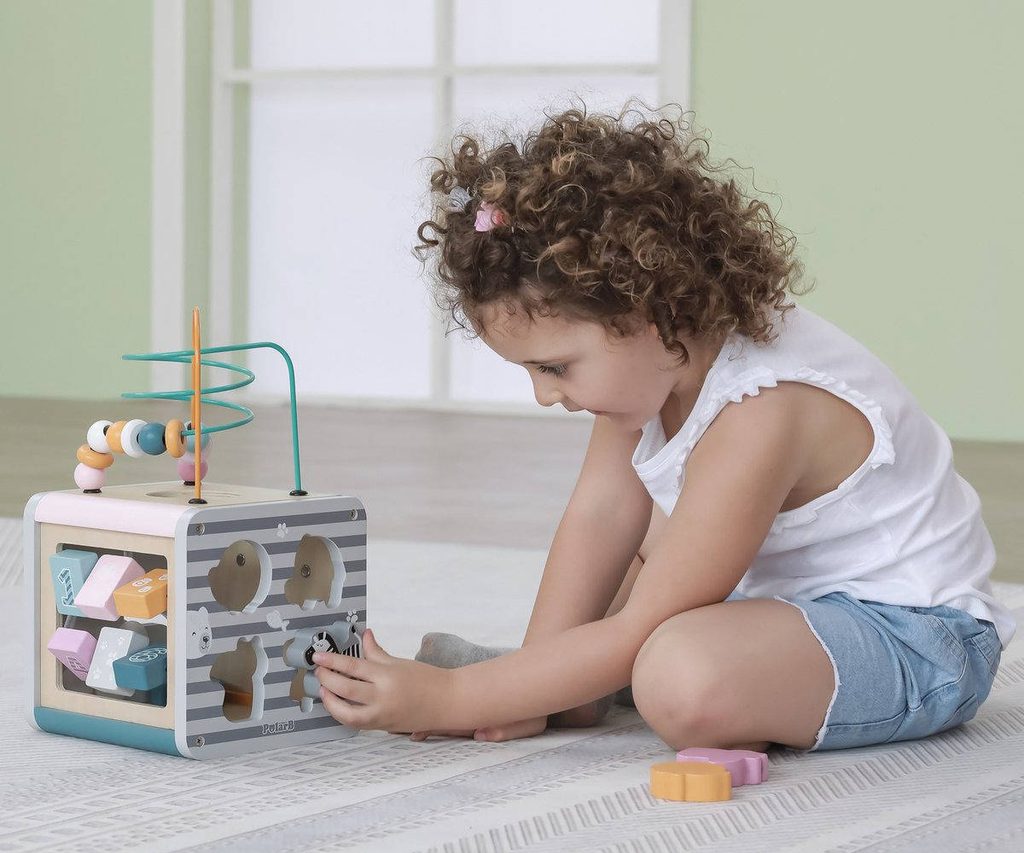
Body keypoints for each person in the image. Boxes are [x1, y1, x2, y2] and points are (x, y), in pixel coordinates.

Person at [310, 100, 1012, 754]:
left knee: (677, 673)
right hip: (777, 606)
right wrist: (527, 688)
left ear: (646, 313)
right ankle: (553, 682)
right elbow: (599, 517)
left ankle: (564, 678)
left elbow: (645, 624)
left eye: (554, 367)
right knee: (639, 547)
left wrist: (457, 697)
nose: (545, 395)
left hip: (913, 636)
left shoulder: (763, 408)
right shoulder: (652, 371)